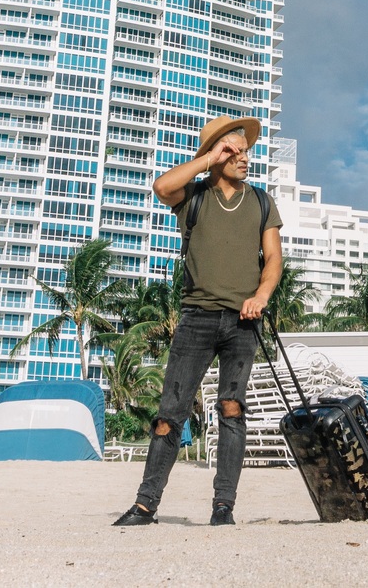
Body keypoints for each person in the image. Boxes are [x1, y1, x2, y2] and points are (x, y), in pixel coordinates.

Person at [113, 114, 282, 527]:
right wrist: (208, 159)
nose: (244, 158)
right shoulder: (194, 198)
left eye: (246, 151)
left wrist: (260, 296)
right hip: (196, 320)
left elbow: (274, 259)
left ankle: (223, 507)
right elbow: (161, 187)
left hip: (243, 323)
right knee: (170, 414)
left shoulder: (261, 202)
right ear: (217, 154)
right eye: (235, 151)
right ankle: (145, 505)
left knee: (231, 409)